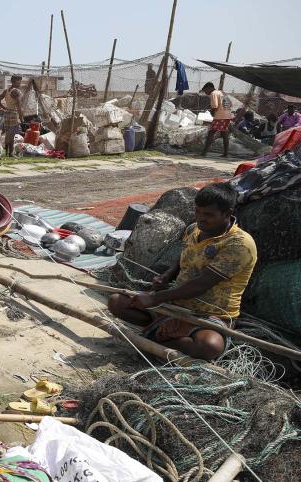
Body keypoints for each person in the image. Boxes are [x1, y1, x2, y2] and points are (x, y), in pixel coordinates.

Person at [107, 183, 257, 360]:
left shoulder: (239, 244)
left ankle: (161, 336)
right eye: (198, 211)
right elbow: (185, 253)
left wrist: (154, 298)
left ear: (227, 213)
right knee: (116, 302)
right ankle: (168, 331)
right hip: (176, 303)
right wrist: (167, 276)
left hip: (210, 314)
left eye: (208, 215)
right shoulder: (194, 229)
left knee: (210, 346)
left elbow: (200, 285)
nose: (201, 218)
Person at [200, 82, 233, 157]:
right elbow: (230, 104)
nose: (206, 93)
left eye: (205, 91)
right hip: (227, 115)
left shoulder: (213, 93)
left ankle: (204, 153)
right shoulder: (222, 92)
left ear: (209, 88)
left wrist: (212, 113)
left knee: (211, 132)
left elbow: (215, 106)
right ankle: (225, 154)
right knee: (224, 133)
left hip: (220, 116)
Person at [0, 75, 24, 157]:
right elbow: (19, 106)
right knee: (11, 134)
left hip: (7, 113)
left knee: (8, 133)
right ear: (13, 82)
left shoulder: (7, 90)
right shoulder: (16, 91)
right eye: (18, 81)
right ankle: (11, 153)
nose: (20, 83)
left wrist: (5, 108)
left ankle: (8, 152)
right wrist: (21, 118)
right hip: (14, 114)